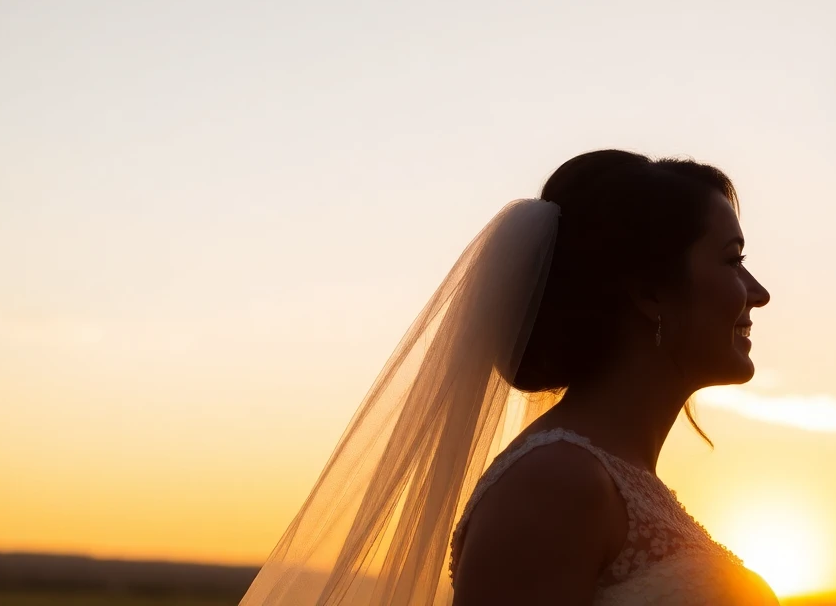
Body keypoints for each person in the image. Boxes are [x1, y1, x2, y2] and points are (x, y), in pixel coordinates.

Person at [239, 150, 778, 606]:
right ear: (648, 293)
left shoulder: (616, 481)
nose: (758, 292)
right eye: (732, 261)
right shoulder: (555, 484)